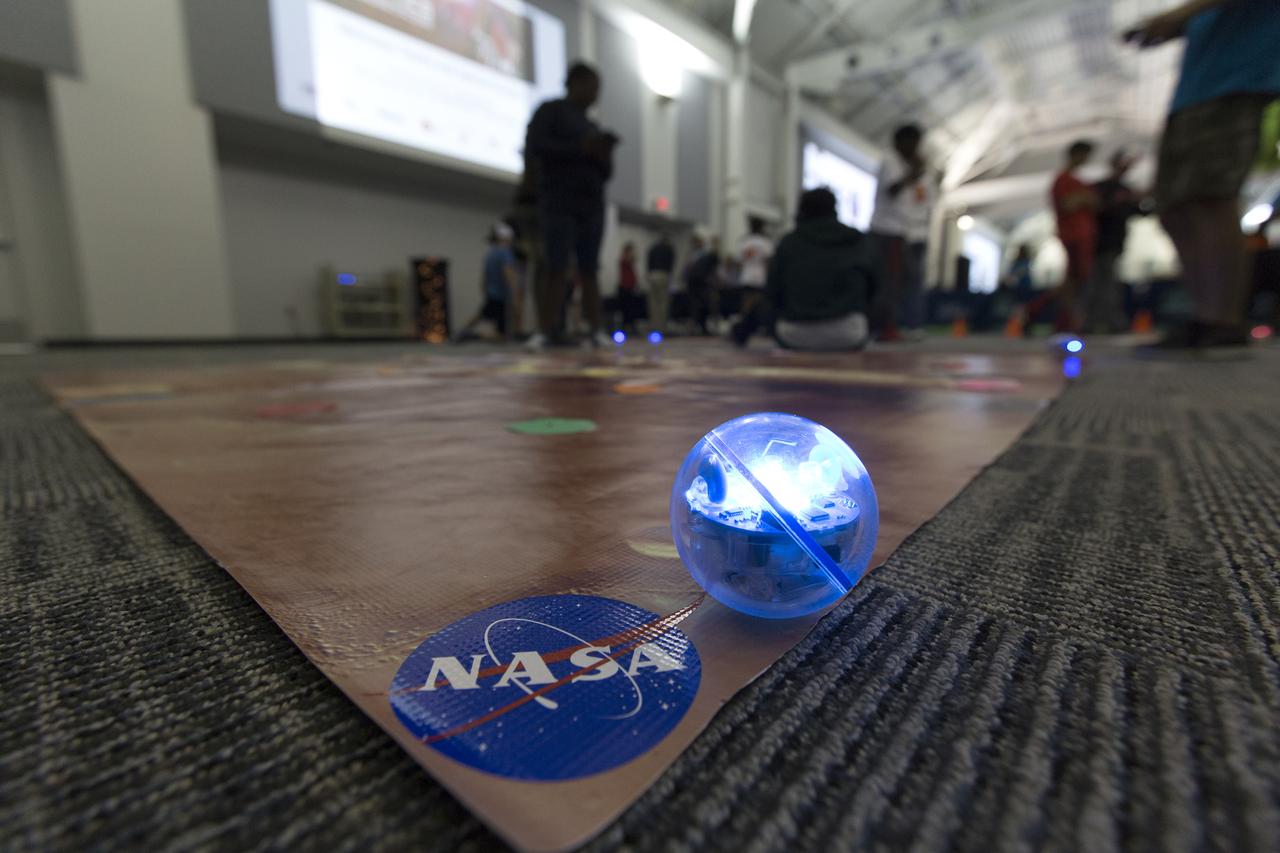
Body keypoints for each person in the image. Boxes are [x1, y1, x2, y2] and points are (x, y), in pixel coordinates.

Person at [1125, 0, 1280, 350]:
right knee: (1175, 208)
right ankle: (1205, 314)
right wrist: (1173, 26)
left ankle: (1222, 320)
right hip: (1194, 94)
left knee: (1211, 198)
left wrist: (1176, 15)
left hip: (1234, 82)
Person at [523, 62, 618, 350]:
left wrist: (604, 151)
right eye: (592, 87)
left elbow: (606, 173)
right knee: (556, 266)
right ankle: (545, 329)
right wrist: (581, 148)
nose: (595, 95)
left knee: (589, 269)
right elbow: (536, 146)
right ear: (575, 83)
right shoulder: (550, 111)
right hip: (559, 201)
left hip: (591, 205)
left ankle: (596, 330)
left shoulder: (592, 126)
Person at [768, 187, 878, 351]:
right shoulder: (856, 240)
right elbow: (874, 286)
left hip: (794, 335)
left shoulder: (789, 243)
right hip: (849, 334)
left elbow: (772, 291)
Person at [869, 124, 936, 341]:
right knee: (889, 280)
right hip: (887, 230)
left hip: (906, 232)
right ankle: (884, 326)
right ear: (900, 142)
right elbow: (892, 190)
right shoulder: (891, 161)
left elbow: (924, 200)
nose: (916, 147)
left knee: (905, 279)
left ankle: (900, 324)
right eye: (912, 142)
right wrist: (913, 173)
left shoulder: (914, 168)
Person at [1087, 150, 1143, 333]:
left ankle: (1108, 321)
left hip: (1115, 243)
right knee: (1098, 284)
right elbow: (1095, 209)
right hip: (1098, 242)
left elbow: (1140, 212)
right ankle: (1095, 321)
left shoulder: (1126, 189)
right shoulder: (1102, 187)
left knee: (1110, 283)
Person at [1050, 140, 1099, 333]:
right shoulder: (1064, 180)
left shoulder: (1077, 181)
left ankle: (1067, 321)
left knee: (1075, 279)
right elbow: (1068, 204)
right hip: (1074, 235)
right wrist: (1084, 199)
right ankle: (1070, 320)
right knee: (1073, 280)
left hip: (1082, 235)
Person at [457, 223, 519, 341]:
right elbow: (508, 274)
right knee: (490, 321)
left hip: (491, 292)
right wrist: (514, 293)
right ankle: (470, 335)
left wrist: (485, 289)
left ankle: (464, 332)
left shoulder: (490, 253)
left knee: (483, 316)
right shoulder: (505, 253)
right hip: (501, 295)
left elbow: (484, 277)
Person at [730, 216, 773, 344]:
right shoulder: (765, 242)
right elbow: (768, 260)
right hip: (760, 276)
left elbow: (738, 261)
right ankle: (760, 326)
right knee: (760, 302)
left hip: (747, 276)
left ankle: (745, 327)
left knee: (746, 304)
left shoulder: (744, 242)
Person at [682, 234, 719, 335]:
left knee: (702, 305)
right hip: (695, 283)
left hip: (700, 283)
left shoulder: (704, 255)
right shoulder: (693, 255)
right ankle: (695, 327)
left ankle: (702, 327)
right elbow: (687, 268)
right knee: (696, 306)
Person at [646, 233, 676, 333]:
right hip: (663, 274)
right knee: (663, 303)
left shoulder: (653, 248)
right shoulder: (669, 249)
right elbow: (671, 264)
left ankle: (653, 326)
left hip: (653, 275)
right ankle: (662, 328)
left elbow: (648, 263)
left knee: (653, 303)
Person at [617, 242, 640, 334]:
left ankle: (631, 327)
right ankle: (626, 328)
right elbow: (631, 259)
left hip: (630, 287)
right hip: (625, 287)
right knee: (626, 309)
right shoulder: (623, 259)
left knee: (632, 309)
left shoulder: (627, 260)